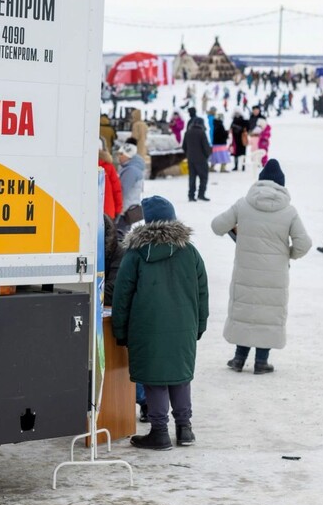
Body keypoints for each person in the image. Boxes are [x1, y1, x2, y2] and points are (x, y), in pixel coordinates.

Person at [112, 196, 209, 449]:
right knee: (180, 376)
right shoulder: (190, 252)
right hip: (184, 326)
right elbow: (202, 293)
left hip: (147, 328)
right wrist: (199, 325)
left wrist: (120, 331)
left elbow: (122, 296)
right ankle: (185, 429)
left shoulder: (135, 255)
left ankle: (159, 432)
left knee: (154, 378)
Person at [210, 160, 312, 373]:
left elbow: (217, 226)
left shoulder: (243, 204)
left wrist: (236, 230)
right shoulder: (289, 211)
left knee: (246, 309)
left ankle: (238, 359)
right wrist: (288, 255)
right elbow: (304, 244)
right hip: (275, 274)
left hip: (246, 269)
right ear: (281, 185)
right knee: (268, 312)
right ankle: (261, 362)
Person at [182, 113, 212, 201]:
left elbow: (184, 146)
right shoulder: (202, 133)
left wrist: (188, 154)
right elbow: (206, 147)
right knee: (203, 178)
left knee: (192, 178)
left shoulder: (187, 132)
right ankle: (201, 194)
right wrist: (207, 155)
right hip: (201, 159)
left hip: (190, 159)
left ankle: (191, 196)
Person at [117, 142, 144, 213]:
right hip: (128, 208)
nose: (119, 156)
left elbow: (122, 190)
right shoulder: (131, 168)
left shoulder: (131, 171)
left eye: (121, 154)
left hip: (124, 210)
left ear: (129, 155)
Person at [98, 140, 122, 219]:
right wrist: (118, 210)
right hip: (108, 212)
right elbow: (117, 190)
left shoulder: (83, 166)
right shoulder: (109, 166)